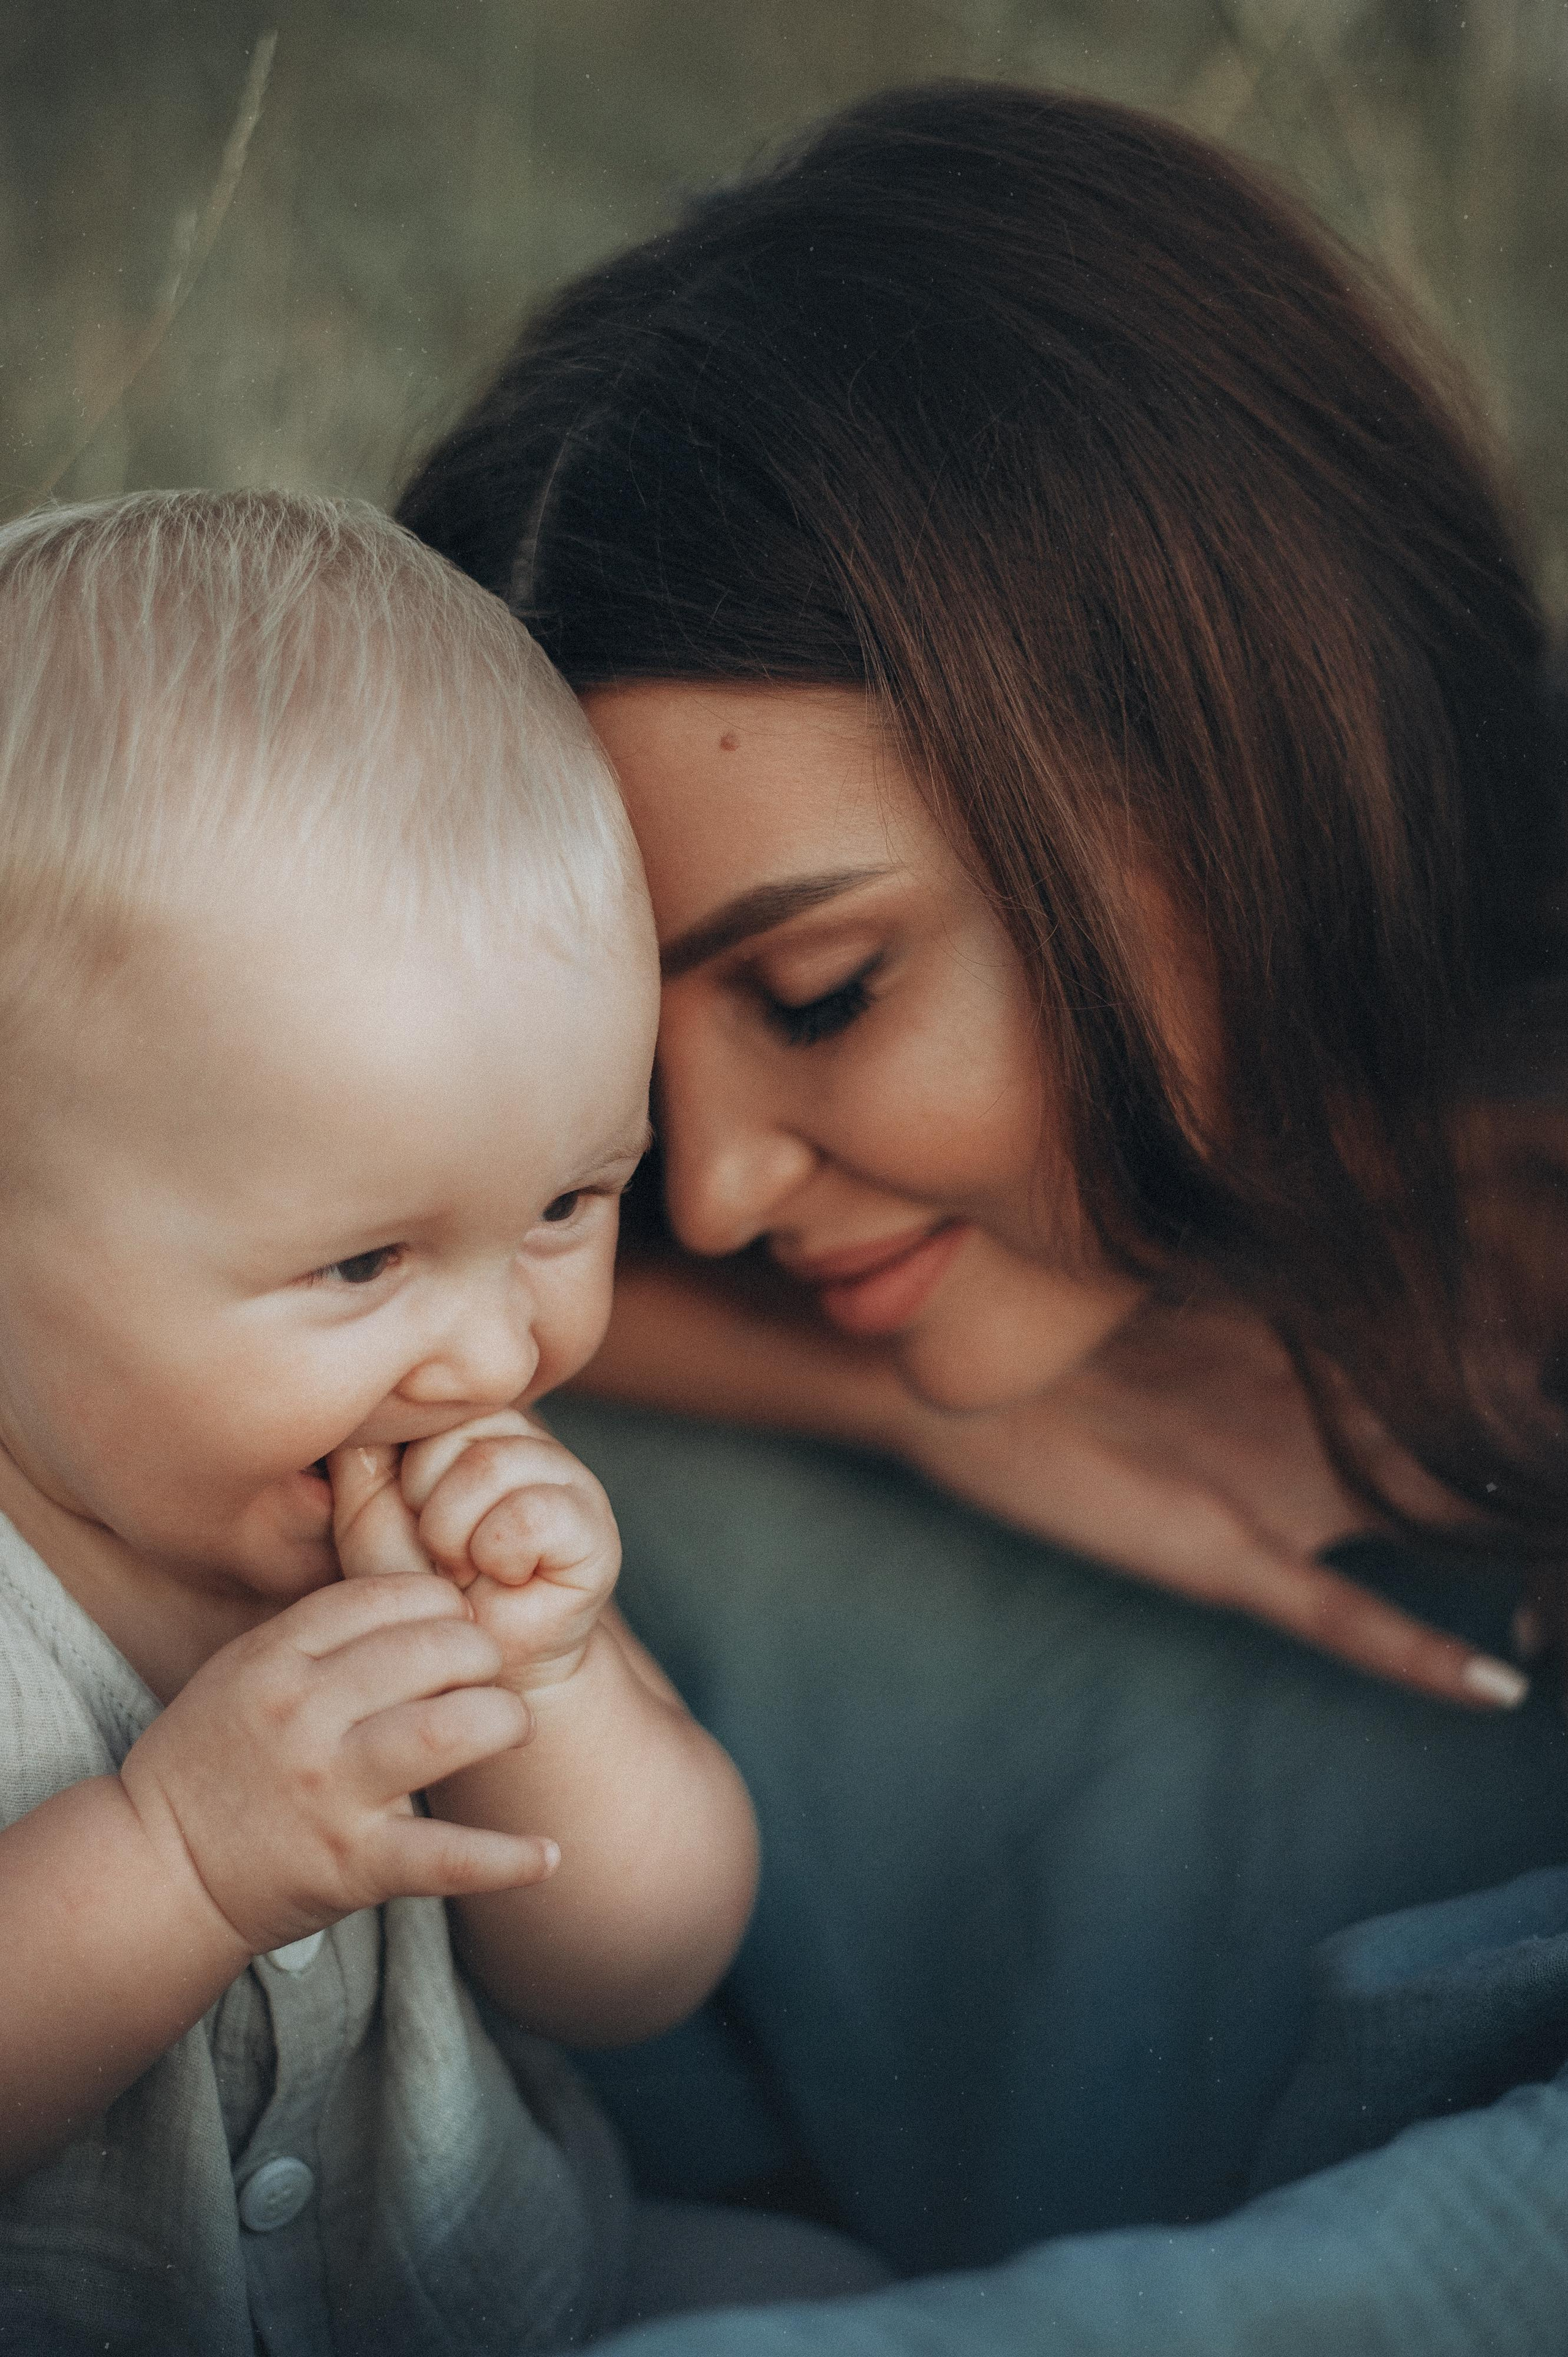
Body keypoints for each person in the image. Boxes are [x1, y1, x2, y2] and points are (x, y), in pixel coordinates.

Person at [397, 82, 1568, 2352]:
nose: (713, 1186)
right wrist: (893, 1407)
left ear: (1242, 757)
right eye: (628, 1072)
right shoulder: (612, 1501)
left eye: (824, 991)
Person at [0, 490, 886, 2356]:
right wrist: (174, 1863)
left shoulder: (435, 1517)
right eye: (363, 1261)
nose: (497, 1354)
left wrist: (551, 1692)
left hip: (503, 2285)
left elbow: (641, 1972)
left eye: (572, 1204)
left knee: (845, 2304)